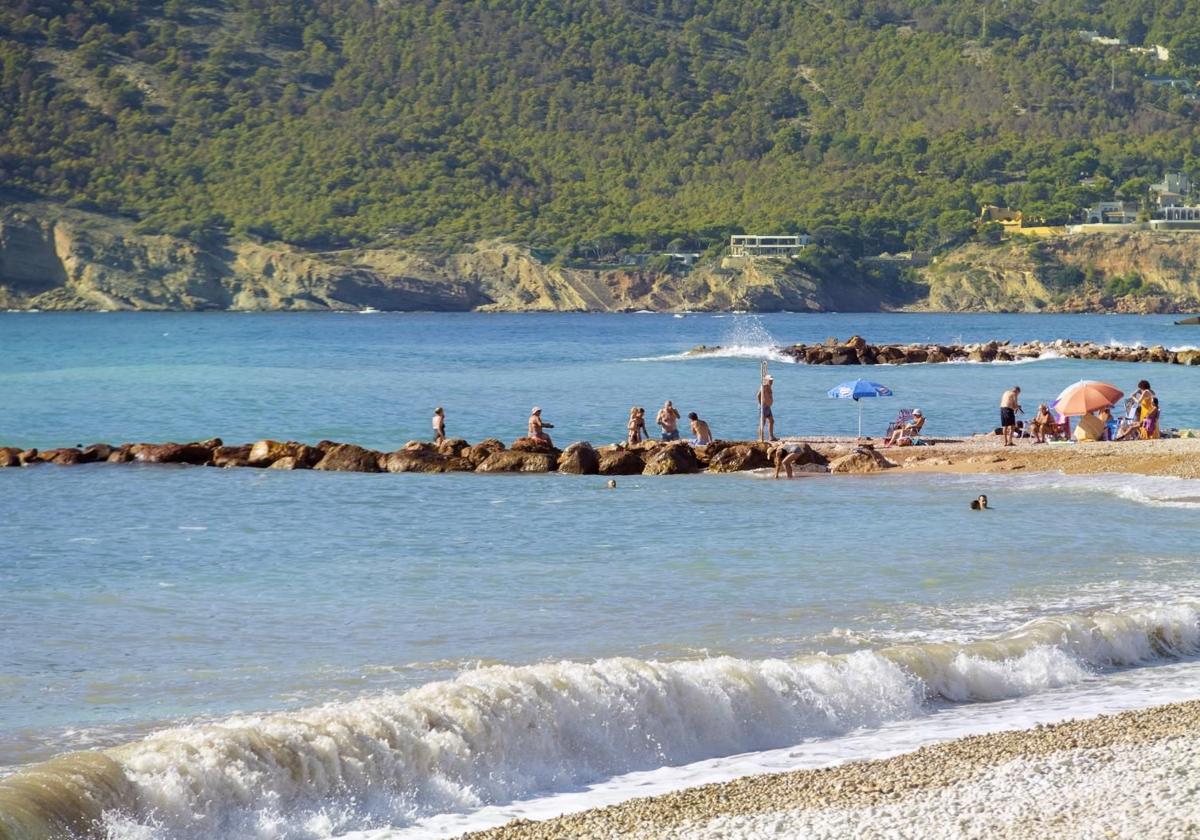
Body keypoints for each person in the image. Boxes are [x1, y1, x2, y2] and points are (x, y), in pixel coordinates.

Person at [757, 375, 777, 442]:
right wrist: (761, 404)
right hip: (764, 407)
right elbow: (758, 395)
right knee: (763, 422)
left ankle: (771, 436)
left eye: (772, 380)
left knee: (771, 421)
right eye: (770, 380)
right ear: (767, 380)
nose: (771, 381)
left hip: (768, 407)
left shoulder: (769, 386)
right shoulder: (764, 386)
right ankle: (760, 438)